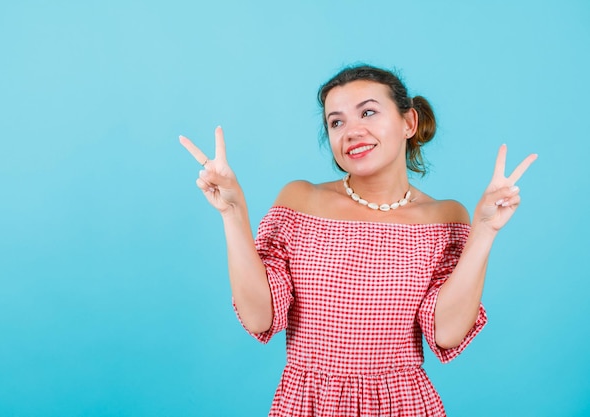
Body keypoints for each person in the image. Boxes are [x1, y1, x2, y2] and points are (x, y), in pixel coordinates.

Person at [179, 65, 537, 417]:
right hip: (308, 404)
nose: (351, 131)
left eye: (368, 112)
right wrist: (233, 212)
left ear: (408, 123)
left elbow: (446, 332)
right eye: (336, 122)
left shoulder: (445, 217)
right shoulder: (300, 200)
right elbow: (259, 317)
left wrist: (485, 231)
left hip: (404, 406)